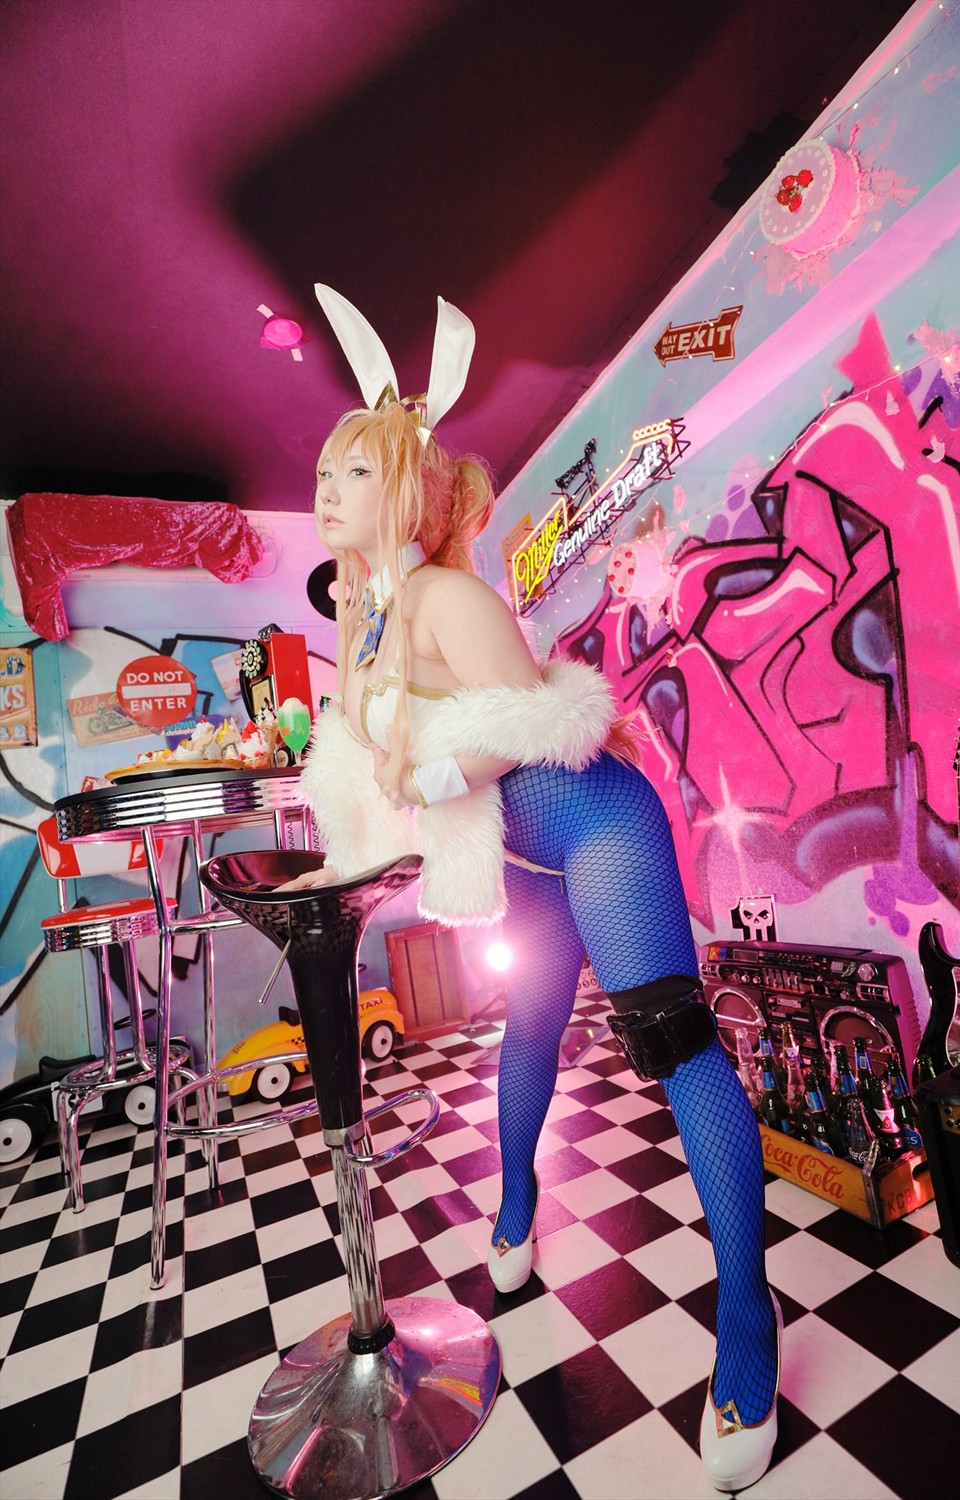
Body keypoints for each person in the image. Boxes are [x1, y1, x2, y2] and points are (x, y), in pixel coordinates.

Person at [285, 286, 781, 1492]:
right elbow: (365, 756)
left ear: (406, 487)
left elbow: (538, 728)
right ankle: (513, 1215)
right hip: (525, 858)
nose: (327, 487)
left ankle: (748, 1323)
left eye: (353, 470)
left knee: (671, 1046)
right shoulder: (370, 619)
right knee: (529, 1034)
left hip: (596, 825)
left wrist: (437, 766)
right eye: (324, 471)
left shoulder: (450, 596)